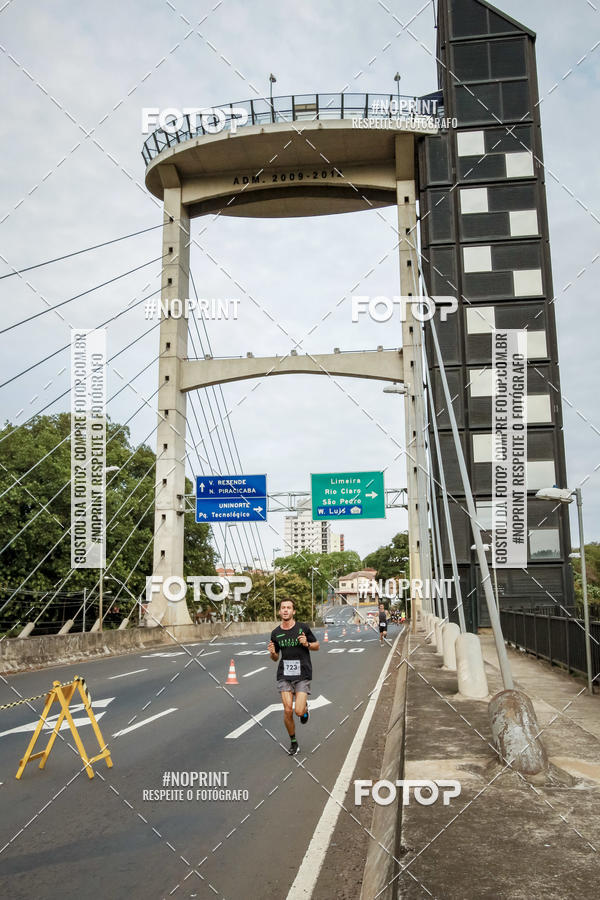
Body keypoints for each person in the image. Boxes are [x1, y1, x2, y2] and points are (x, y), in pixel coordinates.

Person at [268, 598, 319, 755]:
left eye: (288, 608)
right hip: (284, 674)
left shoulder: (302, 628)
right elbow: (276, 657)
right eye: (283, 608)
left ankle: (304, 710)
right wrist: (272, 653)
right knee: (288, 710)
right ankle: (294, 742)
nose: (285, 610)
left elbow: (317, 646)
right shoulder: (276, 633)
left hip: (302, 673)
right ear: (279, 611)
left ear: (293, 611)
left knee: (298, 711)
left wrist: (307, 644)